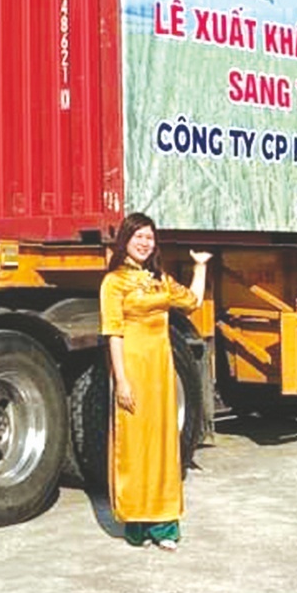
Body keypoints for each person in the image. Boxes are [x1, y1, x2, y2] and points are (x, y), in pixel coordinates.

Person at [99, 212, 210, 551]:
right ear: (126, 241)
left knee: (162, 445)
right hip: (132, 368)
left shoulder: (160, 279)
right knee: (134, 446)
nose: (145, 243)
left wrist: (200, 267)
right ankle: (137, 523)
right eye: (139, 237)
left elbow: (193, 301)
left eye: (150, 237)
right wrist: (121, 381)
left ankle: (164, 526)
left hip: (161, 371)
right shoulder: (113, 282)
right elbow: (113, 333)